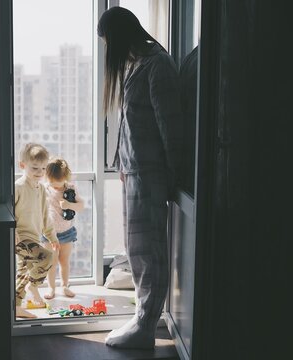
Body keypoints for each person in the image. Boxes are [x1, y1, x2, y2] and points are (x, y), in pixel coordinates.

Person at [97, 7, 183, 349]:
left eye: (107, 41)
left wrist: (174, 177)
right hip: (135, 171)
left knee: (149, 253)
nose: (108, 50)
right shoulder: (139, 62)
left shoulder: (157, 64)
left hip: (150, 174)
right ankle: (142, 318)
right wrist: (121, 163)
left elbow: (169, 125)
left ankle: (146, 325)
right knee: (137, 250)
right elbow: (133, 124)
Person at [14, 143, 60, 319]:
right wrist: (13, 233)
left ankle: (16, 305)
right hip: (19, 237)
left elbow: (44, 215)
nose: (40, 172)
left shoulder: (40, 188)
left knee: (24, 271)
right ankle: (32, 287)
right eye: (35, 168)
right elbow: (10, 211)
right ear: (22, 165)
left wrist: (51, 236)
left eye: (43, 168)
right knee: (46, 257)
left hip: (34, 237)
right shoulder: (18, 187)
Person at [41, 157, 84, 300]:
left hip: (67, 232)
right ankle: (51, 288)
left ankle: (65, 285)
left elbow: (81, 206)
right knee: (51, 263)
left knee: (64, 261)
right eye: (52, 183)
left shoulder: (71, 188)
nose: (56, 187)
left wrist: (69, 205)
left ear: (65, 178)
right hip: (49, 234)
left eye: (58, 184)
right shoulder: (44, 189)